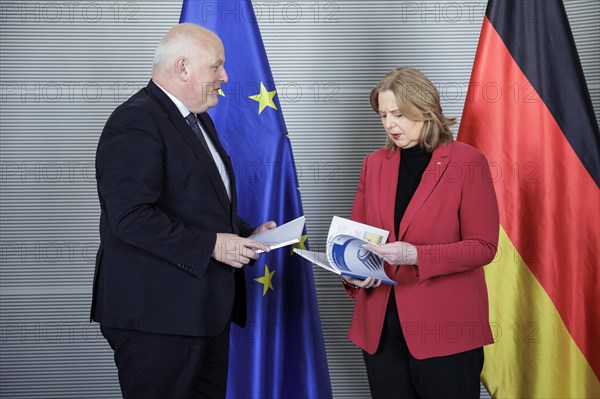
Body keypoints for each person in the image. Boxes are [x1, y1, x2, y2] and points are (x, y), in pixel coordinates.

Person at [91, 23, 276, 399]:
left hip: (201, 314)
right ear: (183, 67)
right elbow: (129, 217)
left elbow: (196, 201)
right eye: (217, 67)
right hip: (156, 320)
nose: (225, 77)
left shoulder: (197, 118)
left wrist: (243, 233)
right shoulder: (136, 121)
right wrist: (213, 245)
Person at [342, 67, 499, 399]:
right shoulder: (374, 163)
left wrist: (416, 255)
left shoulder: (467, 163)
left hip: (447, 330)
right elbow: (356, 240)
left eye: (398, 114)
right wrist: (353, 273)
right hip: (381, 331)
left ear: (426, 111)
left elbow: (483, 247)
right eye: (383, 115)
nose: (389, 124)